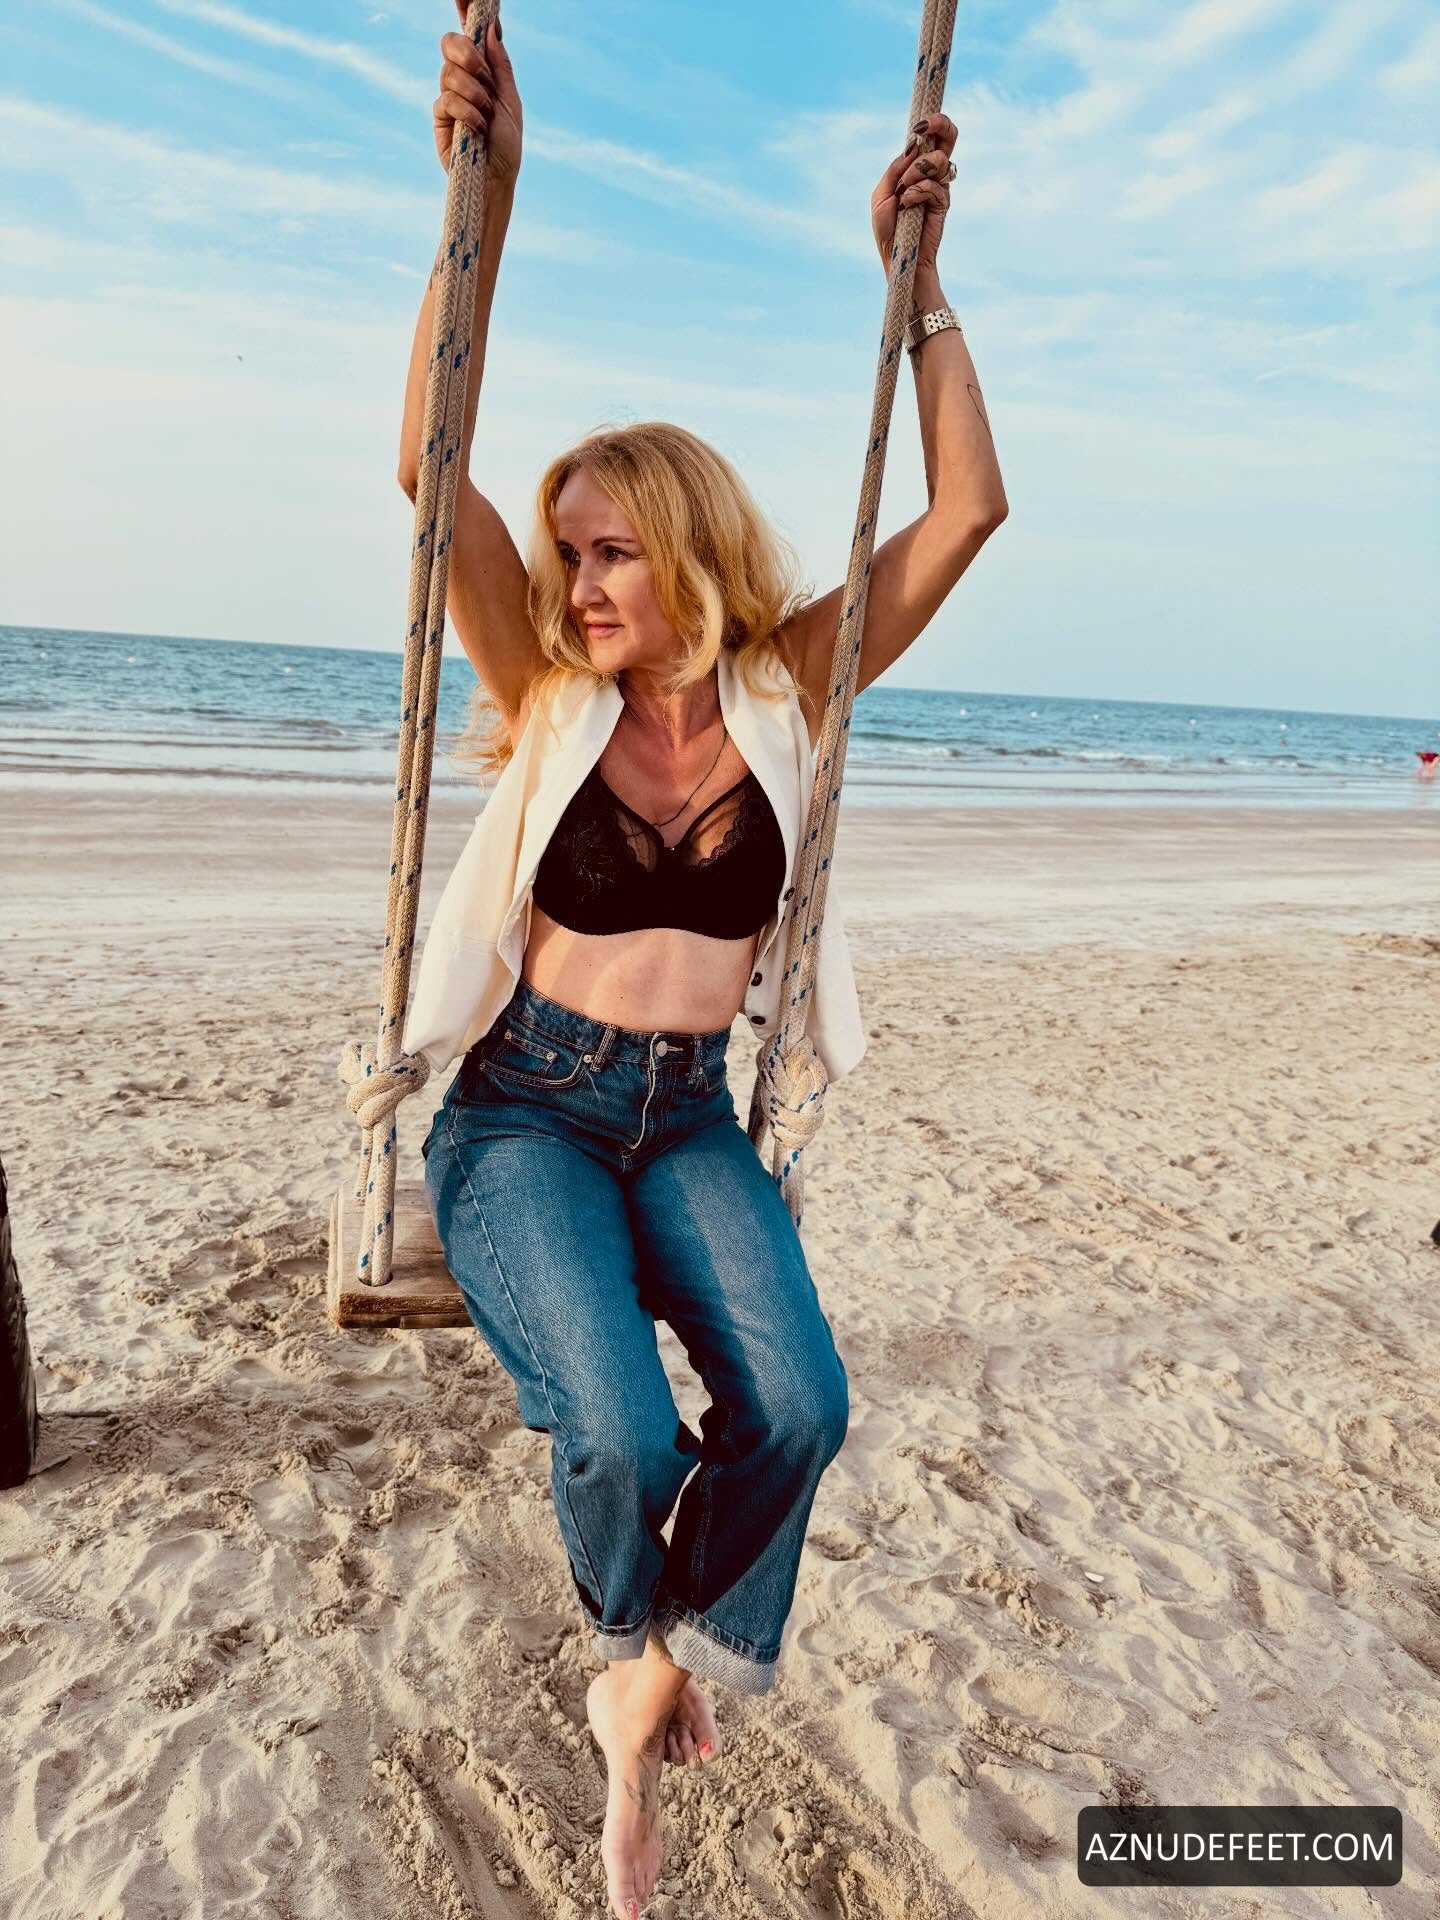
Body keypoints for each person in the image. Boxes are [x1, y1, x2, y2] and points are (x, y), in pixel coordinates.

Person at [398, 11, 1008, 1918]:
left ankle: (653, 1673)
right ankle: (624, 1657)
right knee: (618, 1430)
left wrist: (917, 289)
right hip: (524, 1114)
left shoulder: (789, 683)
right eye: (568, 552)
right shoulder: (543, 690)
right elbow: (433, 465)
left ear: (687, 547)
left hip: (685, 1119)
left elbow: (969, 509)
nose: (579, 584)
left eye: (612, 551)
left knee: (803, 1410)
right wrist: (483, 199)